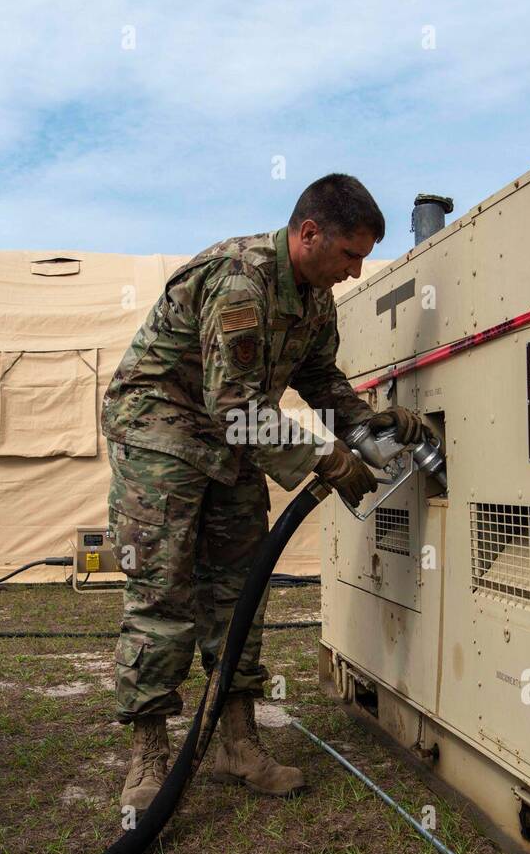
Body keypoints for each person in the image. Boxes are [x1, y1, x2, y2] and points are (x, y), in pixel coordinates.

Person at [101, 173, 426, 812]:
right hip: (161, 433)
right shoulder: (241, 280)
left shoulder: (315, 299)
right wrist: (322, 456)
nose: (356, 272)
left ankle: (237, 743)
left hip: (234, 435)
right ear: (309, 234)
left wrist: (364, 425)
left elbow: (318, 378)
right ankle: (149, 753)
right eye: (349, 255)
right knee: (164, 591)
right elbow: (232, 405)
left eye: (363, 258)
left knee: (239, 588)